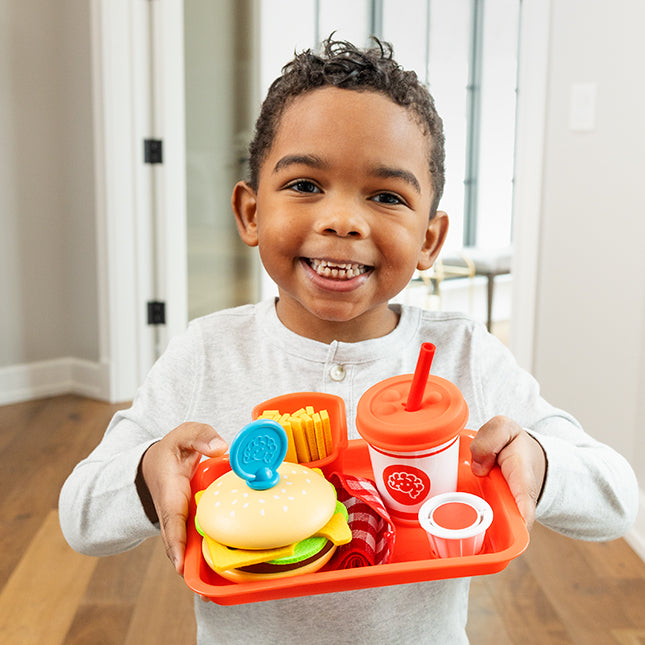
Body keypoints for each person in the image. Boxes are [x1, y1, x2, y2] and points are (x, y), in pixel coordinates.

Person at [59, 38, 638, 644]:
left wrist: (539, 464)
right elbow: (80, 514)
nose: (342, 220)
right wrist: (149, 474)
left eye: (387, 196)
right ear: (250, 212)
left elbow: (616, 495)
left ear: (429, 242)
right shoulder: (207, 354)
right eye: (306, 185)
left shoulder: (468, 354)